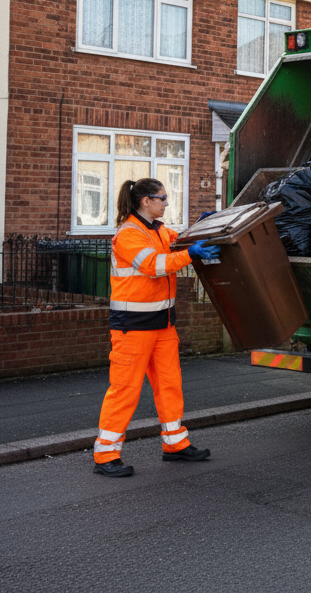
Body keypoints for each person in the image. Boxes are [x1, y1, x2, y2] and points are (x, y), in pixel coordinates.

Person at [92, 178, 222, 477]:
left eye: (166, 197)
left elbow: (177, 243)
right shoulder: (128, 234)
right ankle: (105, 454)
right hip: (133, 328)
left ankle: (175, 444)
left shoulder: (158, 229)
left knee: (169, 385)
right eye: (161, 198)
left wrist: (196, 232)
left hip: (162, 324)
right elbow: (154, 265)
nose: (166, 203)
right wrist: (191, 254)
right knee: (125, 390)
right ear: (145, 201)